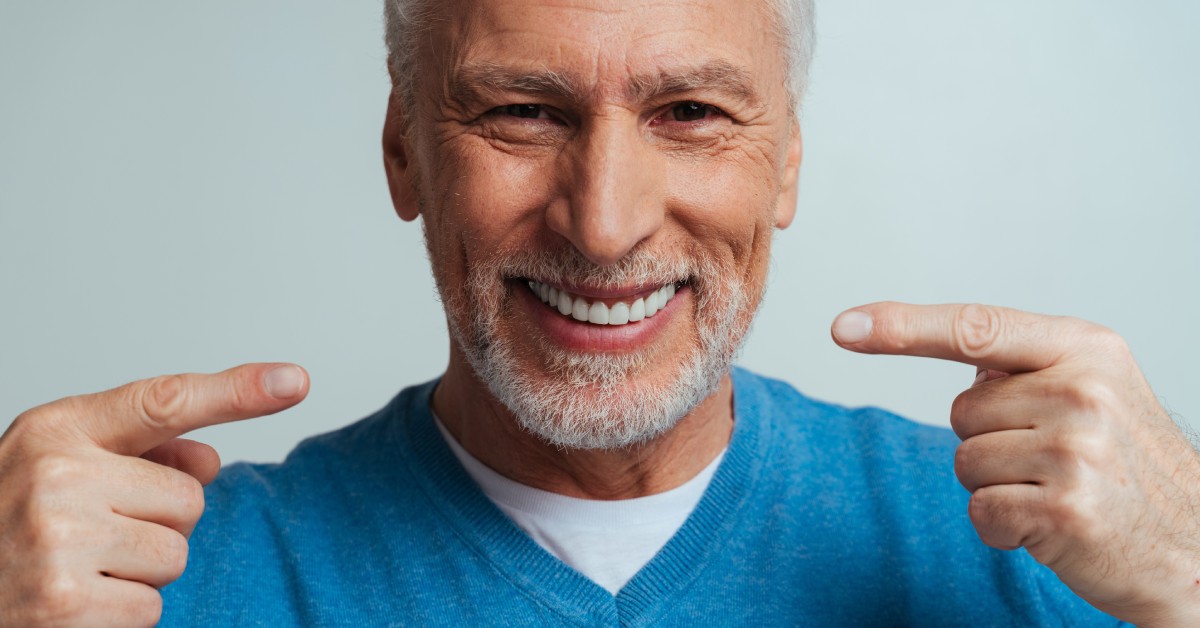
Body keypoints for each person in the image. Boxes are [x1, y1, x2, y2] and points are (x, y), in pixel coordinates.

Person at [1, 0, 1197, 625]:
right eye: (523, 111)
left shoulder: (1044, 555)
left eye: (688, 112)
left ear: (785, 164)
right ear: (404, 152)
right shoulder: (143, 583)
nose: (606, 222)